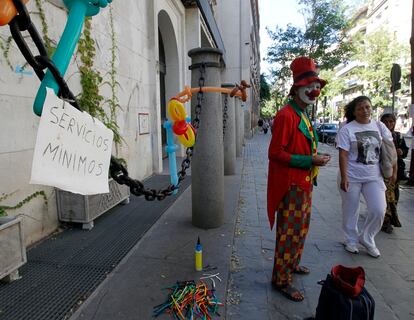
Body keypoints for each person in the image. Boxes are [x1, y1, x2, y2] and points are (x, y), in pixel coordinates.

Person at [267, 56, 331, 302]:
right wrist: (309, 161)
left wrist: (314, 156)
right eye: (310, 86)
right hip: (291, 185)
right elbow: (274, 153)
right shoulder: (286, 115)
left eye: (317, 87)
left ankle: (292, 264)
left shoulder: (302, 113)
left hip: (304, 183)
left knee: (301, 229)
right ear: (297, 88)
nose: (315, 91)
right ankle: (281, 279)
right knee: (289, 232)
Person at [336, 96, 397, 258]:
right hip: (351, 176)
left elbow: (390, 149)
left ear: (372, 108)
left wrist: (393, 170)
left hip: (374, 176)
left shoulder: (379, 126)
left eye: (368, 107)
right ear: (354, 112)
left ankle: (367, 237)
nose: (365, 111)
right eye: (360, 108)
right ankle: (350, 239)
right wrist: (344, 178)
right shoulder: (347, 129)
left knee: (379, 209)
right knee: (351, 210)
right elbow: (343, 155)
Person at [380, 113, 409, 233]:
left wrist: (401, 151)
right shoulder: (379, 135)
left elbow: (404, 151)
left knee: (394, 197)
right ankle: (385, 221)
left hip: (396, 171)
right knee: (384, 197)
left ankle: (390, 218)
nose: (388, 124)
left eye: (391, 122)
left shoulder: (398, 136)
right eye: (386, 122)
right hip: (383, 171)